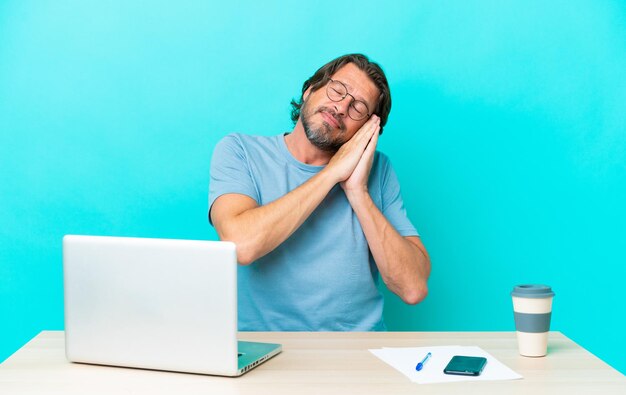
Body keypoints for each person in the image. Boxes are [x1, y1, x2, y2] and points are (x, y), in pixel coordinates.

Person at [208, 54, 430, 331]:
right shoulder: (240, 151)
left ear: (366, 132)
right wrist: (331, 175)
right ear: (309, 90)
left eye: (357, 108)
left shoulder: (379, 171)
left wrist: (358, 192)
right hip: (262, 349)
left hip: (354, 353)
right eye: (337, 90)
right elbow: (241, 245)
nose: (340, 107)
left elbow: (413, 288)